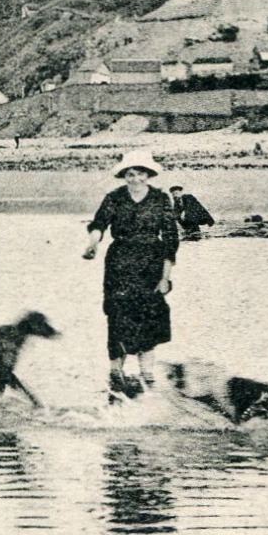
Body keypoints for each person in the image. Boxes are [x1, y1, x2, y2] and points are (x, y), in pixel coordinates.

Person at [83, 150, 178, 397]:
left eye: (140, 174)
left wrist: (165, 276)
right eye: (130, 174)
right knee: (117, 316)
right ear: (124, 175)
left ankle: (147, 375)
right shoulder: (114, 197)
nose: (135, 179)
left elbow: (170, 238)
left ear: (149, 175)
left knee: (149, 316)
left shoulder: (160, 199)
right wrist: (93, 244)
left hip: (151, 263)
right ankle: (116, 373)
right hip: (120, 264)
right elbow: (99, 224)